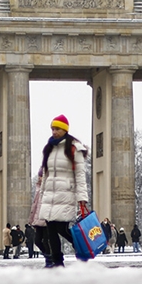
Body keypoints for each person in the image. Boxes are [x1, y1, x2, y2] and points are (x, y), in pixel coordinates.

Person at [35, 114, 89, 268]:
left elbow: (80, 174)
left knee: (62, 228)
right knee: (51, 230)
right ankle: (57, 262)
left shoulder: (74, 148)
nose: (54, 131)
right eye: (52, 128)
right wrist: (42, 192)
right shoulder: (49, 149)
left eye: (57, 128)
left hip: (65, 193)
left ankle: (81, 247)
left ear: (65, 130)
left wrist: (82, 197)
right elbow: (46, 172)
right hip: (50, 195)